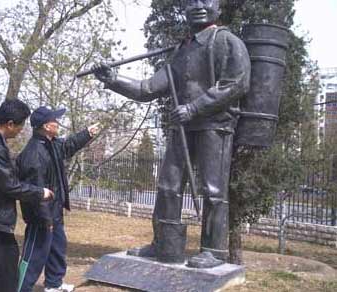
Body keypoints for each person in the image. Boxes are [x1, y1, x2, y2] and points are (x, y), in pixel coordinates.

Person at [92, 0, 250, 266]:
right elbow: (148, 88)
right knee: (168, 186)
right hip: (183, 127)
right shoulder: (182, 51)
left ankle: (213, 251)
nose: (199, 5)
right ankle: (164, 243)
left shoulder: (228, 42)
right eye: (192, 1)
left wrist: (193, 108)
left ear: (219, 7)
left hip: (215, 126)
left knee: (213, 190)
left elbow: (237, 85)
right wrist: (113, 79)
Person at [0, 100, 54, 292]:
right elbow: (10, 186)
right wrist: (40, 193)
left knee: (7, 275)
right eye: (21, 125)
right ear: (10, 124)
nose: (22, 130)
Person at [17, 106, 100, 292]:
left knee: (57, 249)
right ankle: (20, 288)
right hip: (41, 216)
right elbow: (35, 192)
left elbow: (68, 145)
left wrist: (87, 134)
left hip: (54, 210)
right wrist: (45, 219)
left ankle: (53, 284)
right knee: (34, 256)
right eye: (55, 120)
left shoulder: (51, 144)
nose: (59, 122)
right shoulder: (34, 154)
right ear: (46, 126)